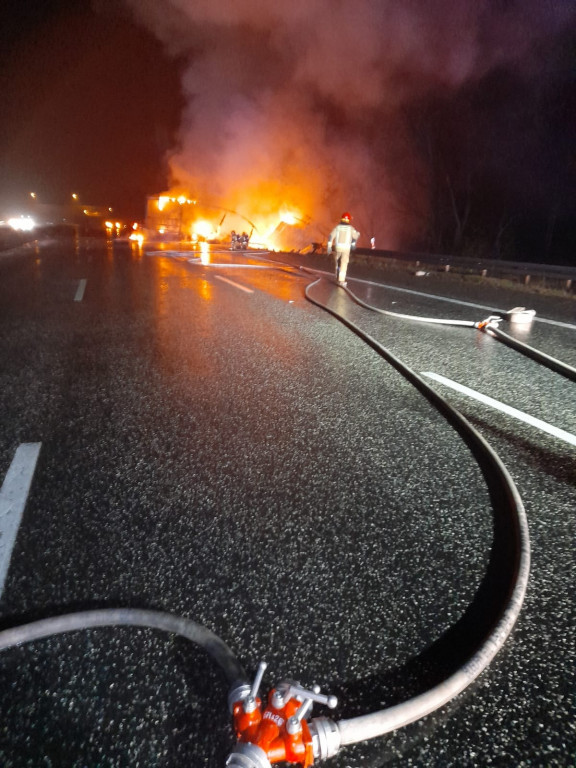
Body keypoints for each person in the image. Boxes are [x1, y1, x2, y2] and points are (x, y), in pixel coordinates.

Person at [327, 212, 360, 286]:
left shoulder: (337, 228)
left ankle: (337, 277)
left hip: (338, 248)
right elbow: (356, 236)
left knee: (337, 262)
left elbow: (330, 236)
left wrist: (329, 247)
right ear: (349, 220)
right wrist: (354, 242)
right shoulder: (351, 229)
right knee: (344, 263)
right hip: (346, 249)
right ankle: (341, 280)